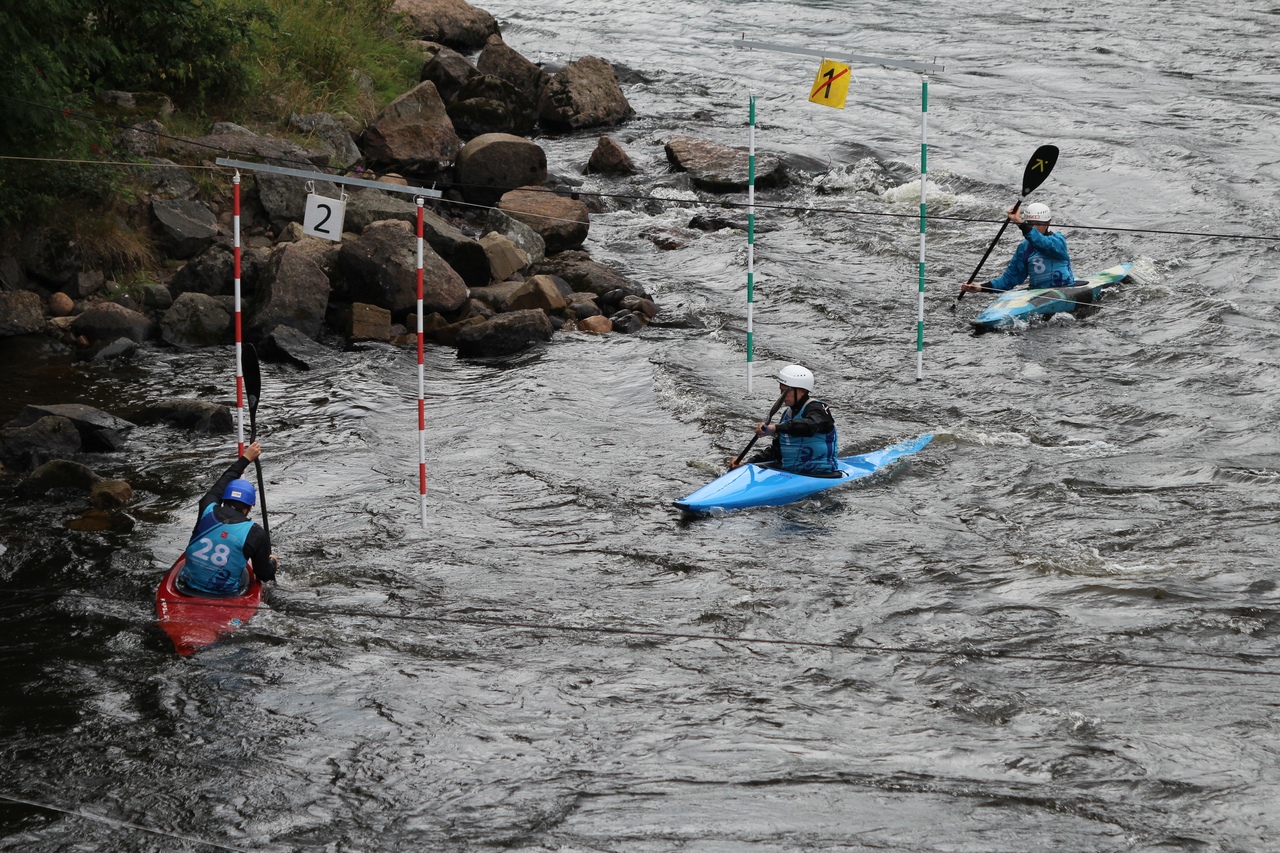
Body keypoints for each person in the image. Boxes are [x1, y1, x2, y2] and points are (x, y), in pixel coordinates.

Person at [178, 441, 278, 596]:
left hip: (187, 586)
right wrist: (272, 562)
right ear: (250, 507)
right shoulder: (256, 533)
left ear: (223, 499)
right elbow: (264, 575)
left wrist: (246, 458)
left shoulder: (207, 508)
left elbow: (222, 483)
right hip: (226, 594)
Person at [728, 364, 840, 476]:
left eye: (787, 391)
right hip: (792, 473)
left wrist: (775, 428)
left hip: (822, 474)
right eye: (781, 391)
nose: (783, 396)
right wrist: (747, 464)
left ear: (803, 390)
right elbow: (776, 451)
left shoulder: (818, 409)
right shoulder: (787, 414)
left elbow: (810, 426)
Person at [960, 202, 1075, 295]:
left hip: (1065, 288)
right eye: (1030, 223)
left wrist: (1020, 223)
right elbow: (1009, 279)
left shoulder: (1058, 241)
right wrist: (980, 287)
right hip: (1037, 293)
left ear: (1048, 223)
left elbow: (1042, 243)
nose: (1034, 227)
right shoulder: (1024, 248)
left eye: (1038, 223)